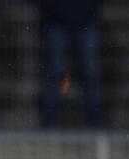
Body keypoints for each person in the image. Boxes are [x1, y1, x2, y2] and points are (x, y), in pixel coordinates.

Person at [35, 0, 103, 128]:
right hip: (55, 21)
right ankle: (49, 126)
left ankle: (94, 126)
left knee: (90, 76)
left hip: (86, 20)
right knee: (53, 76)